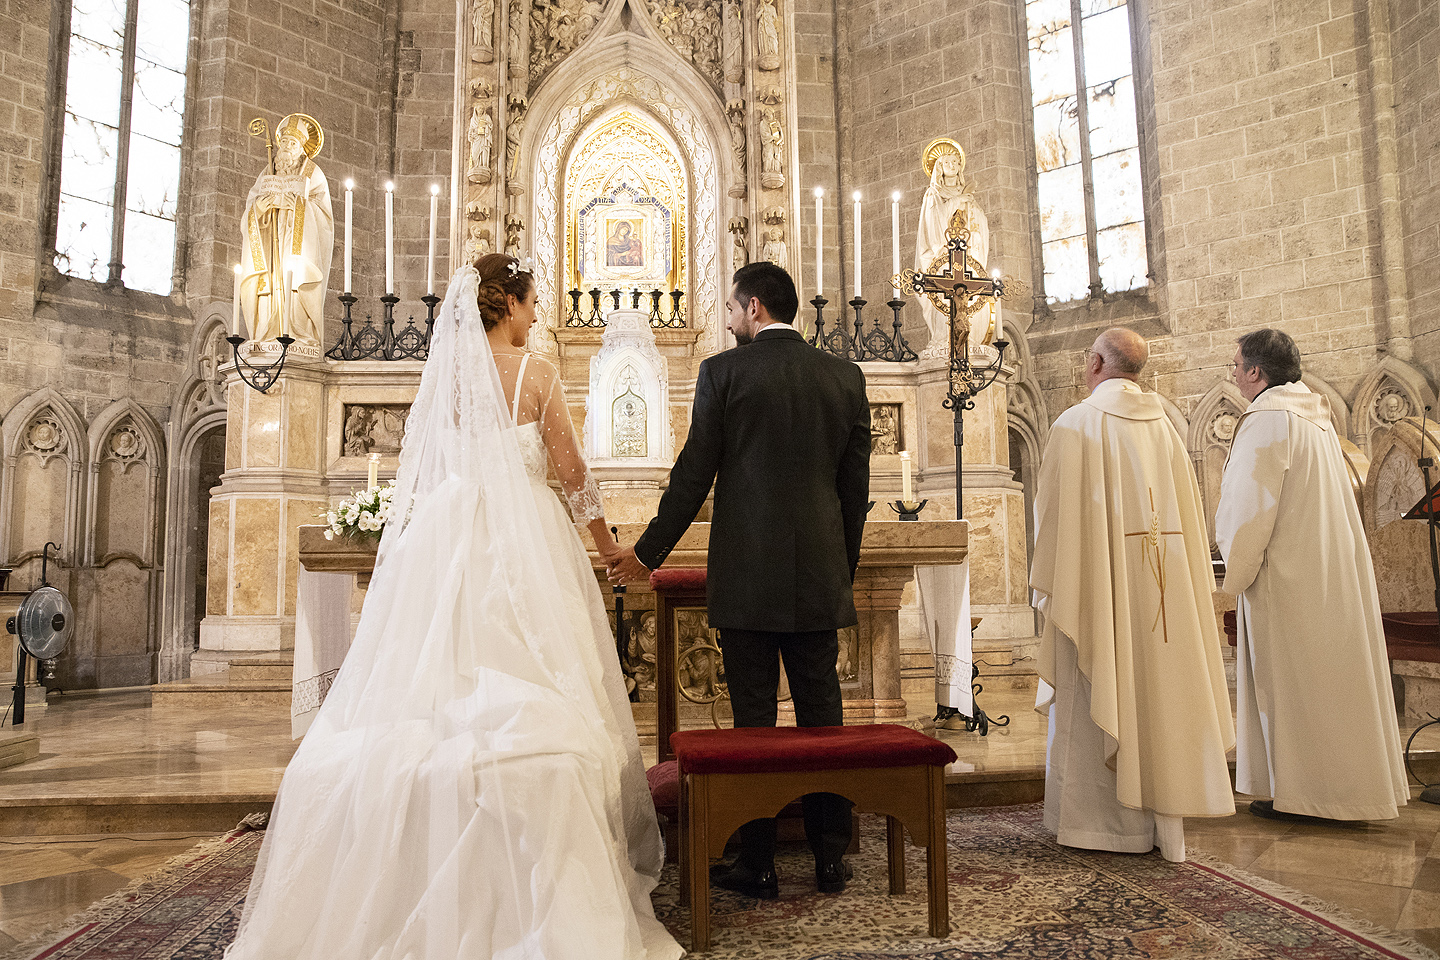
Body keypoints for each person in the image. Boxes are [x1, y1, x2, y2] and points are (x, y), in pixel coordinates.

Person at [225, 255, 681, 960]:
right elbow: (572, 475)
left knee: (436, 657)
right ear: (510, 304)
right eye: (533, 303)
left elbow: (431, 462)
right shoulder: (536, 376)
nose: (538, 315)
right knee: (536, 659)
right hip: (526, 536)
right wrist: (606, 545)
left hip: (445, 530)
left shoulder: (450, 381)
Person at [607, 261, 872, 899]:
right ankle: (830, 855)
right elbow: (854, 489)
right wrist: (842, 564)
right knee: (822, 718)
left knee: (752, 721)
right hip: (816, 574)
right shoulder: (843, 376)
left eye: (730, 309)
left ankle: (758, 862)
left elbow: (694, 473)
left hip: (748, 577)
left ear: (752, 308)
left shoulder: (722, 373)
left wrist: (647, 553)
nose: (728, 320)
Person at [1030, 328, 1235, 863]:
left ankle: (1095, 827)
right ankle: (1159, 826)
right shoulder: (1166, 428)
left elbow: (1050, 524)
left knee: (1095, 691)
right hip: (1164, 597)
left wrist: (1052, 590)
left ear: (1095, 362)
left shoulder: (1074, 425)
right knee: (1158, 695)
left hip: (1095, 596)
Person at [1214, 328, 1407, 822]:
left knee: (1297, 686)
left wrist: (1229, 573)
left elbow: (1249, 509)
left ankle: (1307, 796)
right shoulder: (1316, 418)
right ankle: (1341, 789)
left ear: (1256, 371)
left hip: (1290, 579)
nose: (1233, 377)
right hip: (1326, 573)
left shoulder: (1266, 420)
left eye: (1236, 366)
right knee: (1331, 685)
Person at [238, 113, 333, 344]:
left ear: (302, 148)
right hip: (270, 246)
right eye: (284, 142)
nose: (287, 147)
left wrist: (299, 206)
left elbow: (324, 218)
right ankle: (266, 333)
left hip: (296, 244)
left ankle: (299, 333)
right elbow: (251, 207)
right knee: (270, 285)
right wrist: (259, 208)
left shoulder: (314, 174)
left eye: (293, 143)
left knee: (294, 285)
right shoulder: (267, 173)